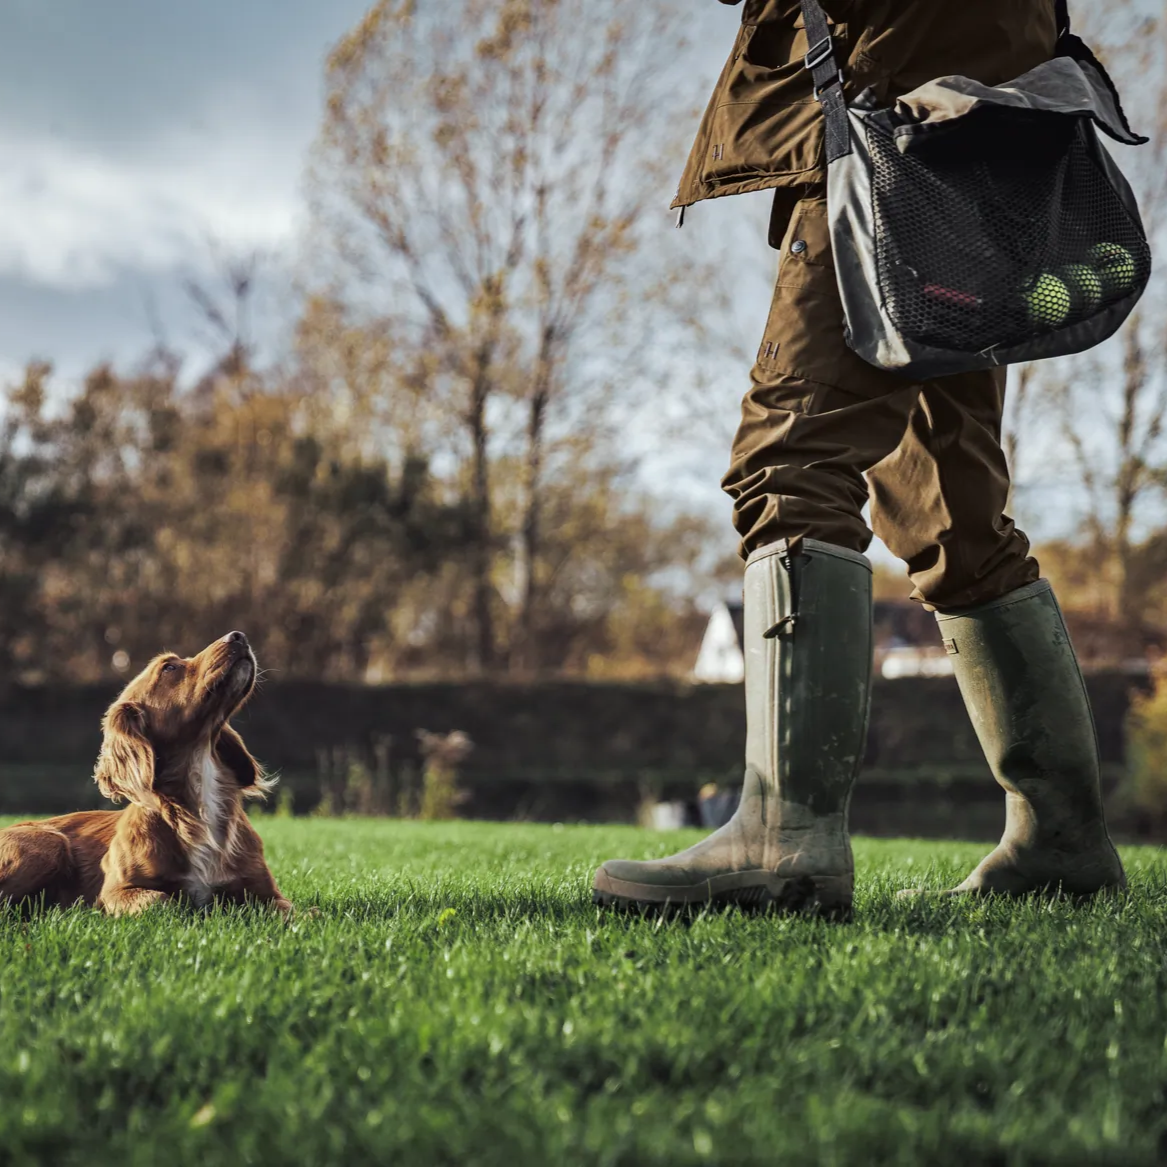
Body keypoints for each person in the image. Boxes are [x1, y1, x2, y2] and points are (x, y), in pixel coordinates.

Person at [592, 0, 1126, 916]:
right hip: (975, 88)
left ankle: (783, 833)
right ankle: (1059, 835)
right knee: (946, 497)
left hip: (896, 87)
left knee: (790, 453)